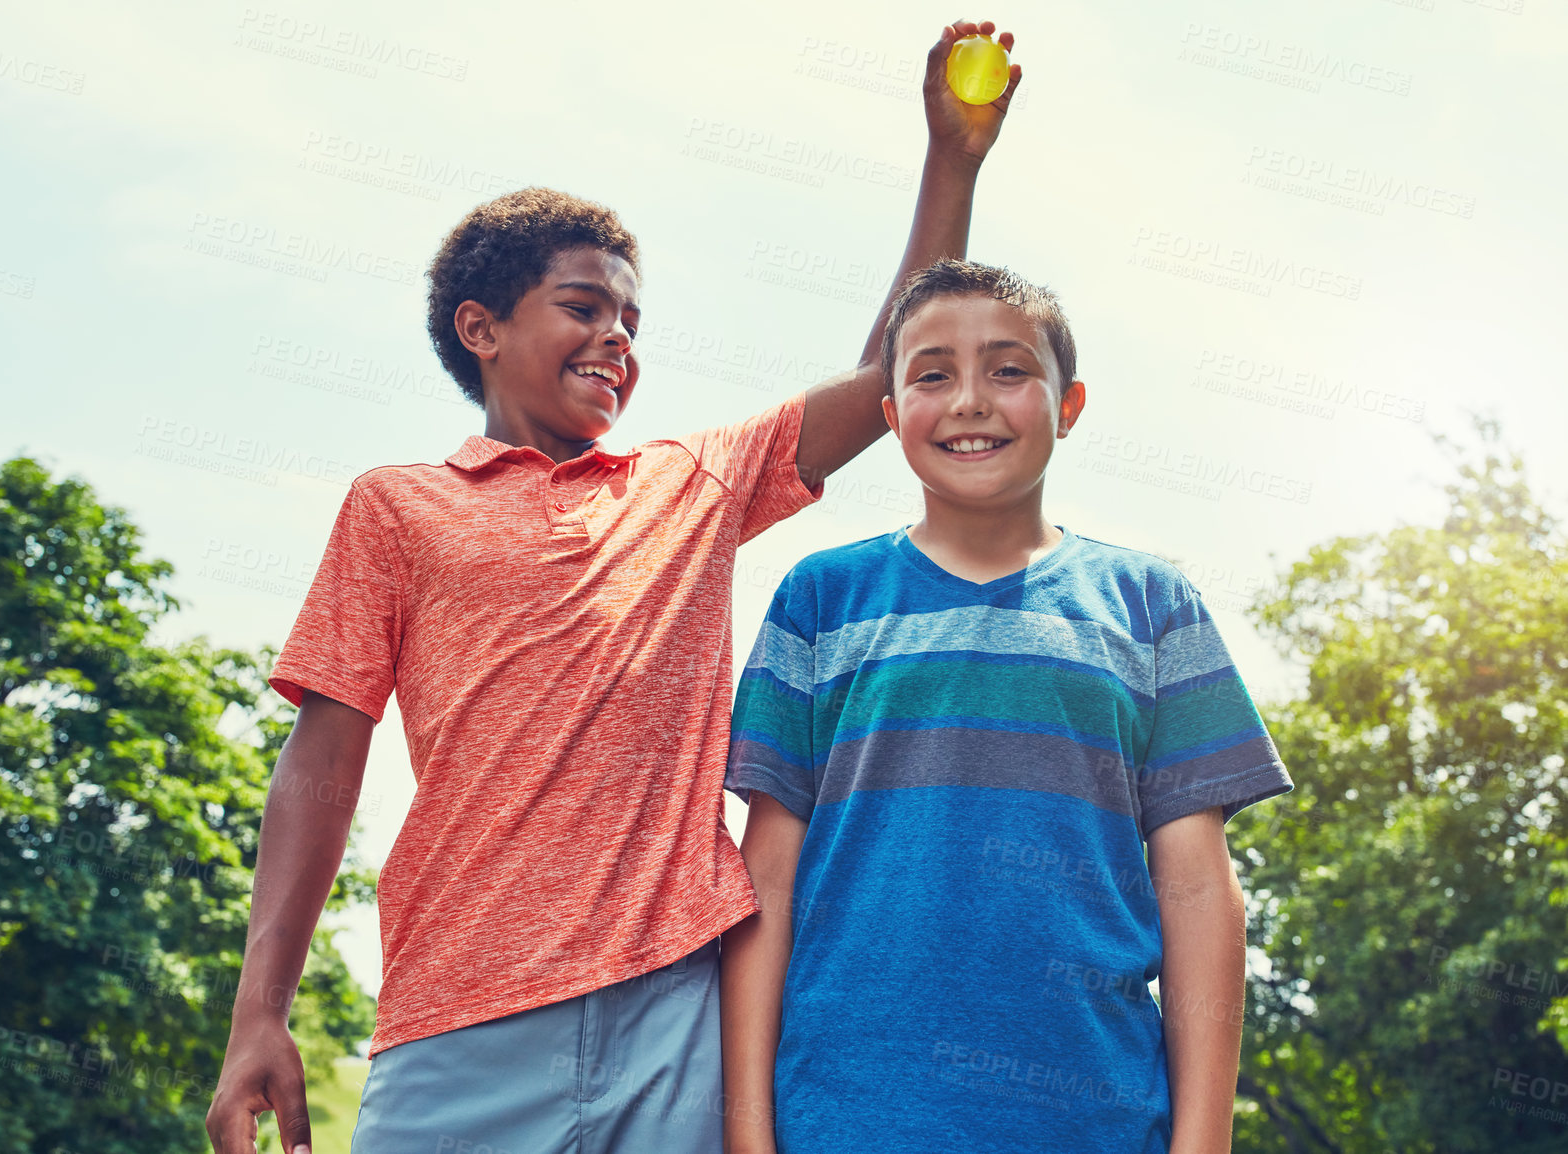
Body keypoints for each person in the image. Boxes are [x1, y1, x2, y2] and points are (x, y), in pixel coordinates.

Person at [204, 20, 1025, 1154]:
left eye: (631, 320)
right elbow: (322, 758)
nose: (616, 339)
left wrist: (952, 161)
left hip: (676, 1015)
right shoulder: (394, 506)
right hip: (458, 1022)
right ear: (480, 328)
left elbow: (889, 378)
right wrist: (261, 1011)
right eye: (584, 306)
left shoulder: (690, 479)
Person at [720, 259, 1294, 1154]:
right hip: (843, 1118)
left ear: (1069, 406)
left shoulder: (1151, 606)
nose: (970, 401)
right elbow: (767, 883)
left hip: (1095, 1119)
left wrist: (1204, 1141)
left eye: (1010, 369)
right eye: (932, 374)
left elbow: (1196, 889)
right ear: (892, 416)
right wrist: (747, 1134)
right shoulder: (819, 599)